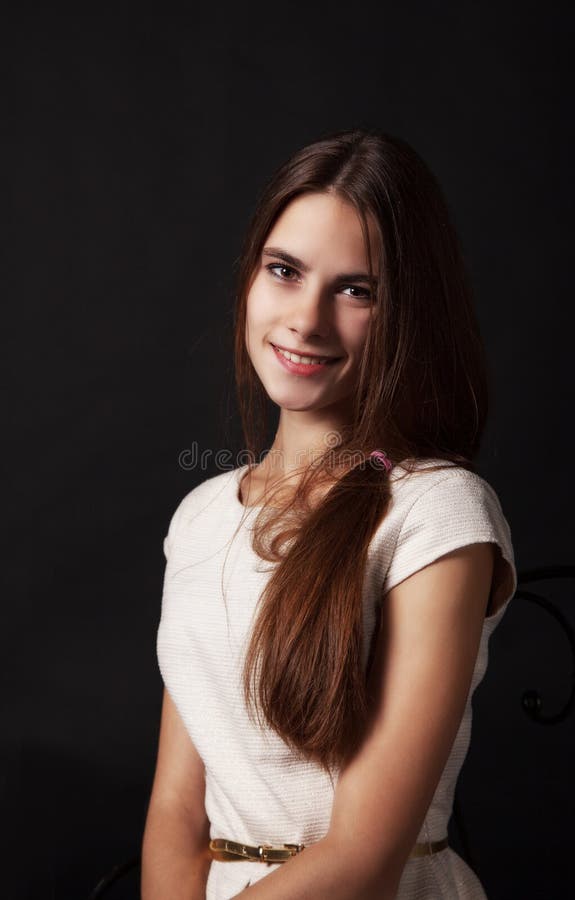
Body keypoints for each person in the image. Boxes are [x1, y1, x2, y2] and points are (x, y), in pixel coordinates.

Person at [141, 128, 517, 900]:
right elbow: (177, 810)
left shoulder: (436, 511)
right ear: (250, 277)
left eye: (356, 290)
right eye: (284, 271)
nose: (305, 320)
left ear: (407, 314)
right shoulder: (202, 514)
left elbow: (362, 856)